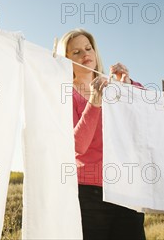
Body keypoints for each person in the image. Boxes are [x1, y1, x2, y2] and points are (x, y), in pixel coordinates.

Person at [59, 28, 146, 240]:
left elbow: (148, 116)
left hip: (127, 187)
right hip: (89, 192)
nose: (85, 54)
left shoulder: (114, 86)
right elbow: (77, 145)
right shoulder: (63, 93)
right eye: (76, 52)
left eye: (88, 48)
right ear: (66, 59)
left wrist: (127, 85)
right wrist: (94, 103)